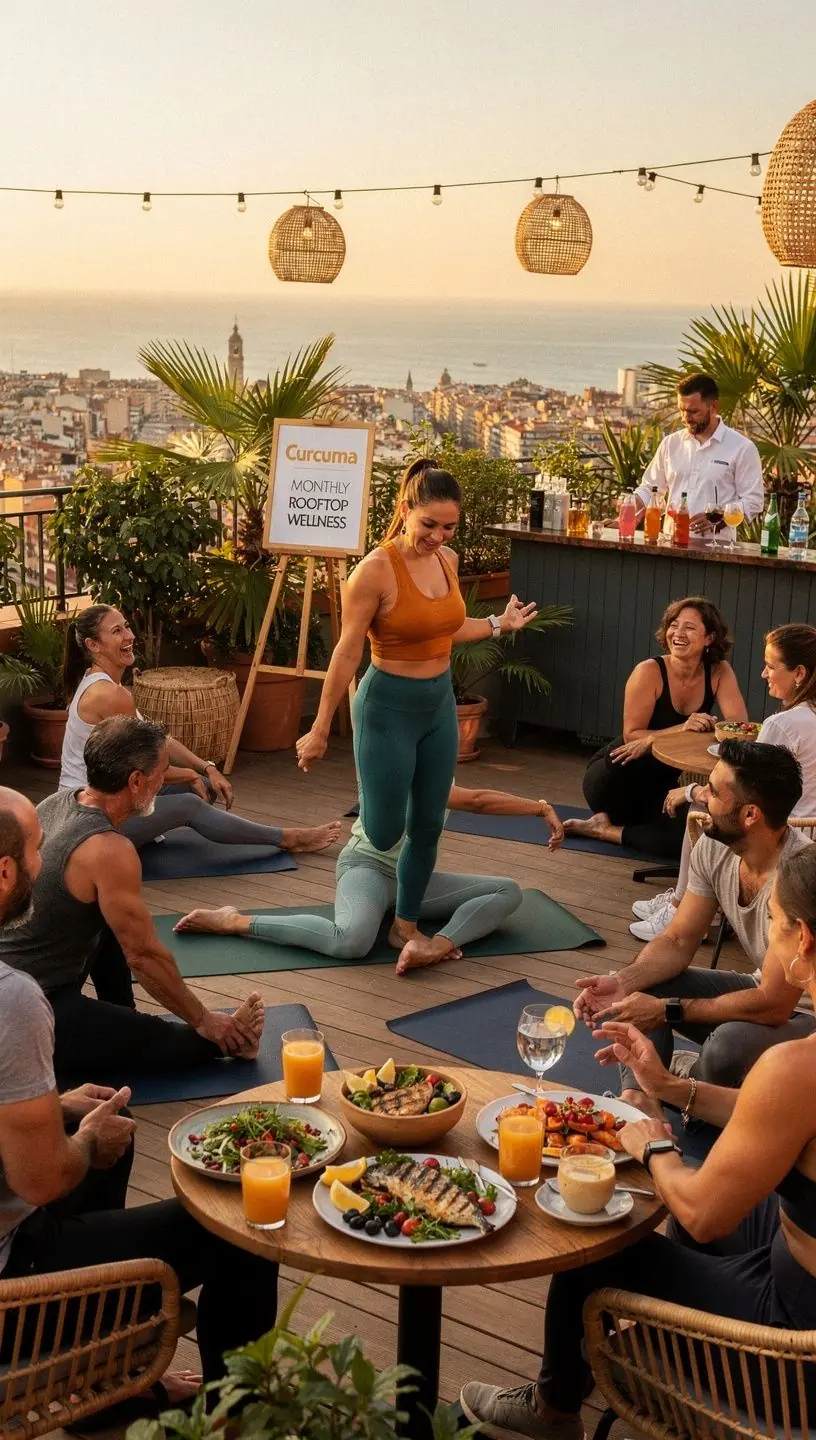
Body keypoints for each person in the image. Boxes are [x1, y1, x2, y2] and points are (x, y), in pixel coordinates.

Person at [460, 843, 816, 1440]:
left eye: (775, 925)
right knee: (715, 1200)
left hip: (795, 1349)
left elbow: (703, 1213)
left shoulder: (796, 1068)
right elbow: (781, 1118)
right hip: (795, 1255)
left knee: (597, 1243)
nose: (770, 943)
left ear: (803, 939)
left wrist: (655, 1145)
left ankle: (555, 1412)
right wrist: (669, 1087)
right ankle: (677, 1329)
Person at [0, 785, 279, 1395]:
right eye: (38, 853)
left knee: (105, 1134)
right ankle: (241, 1416)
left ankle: (106, 1380)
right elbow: (44, 1180)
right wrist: (84, 1141)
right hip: (12, 1290)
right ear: (3, 873)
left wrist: (58, 1108)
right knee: (247, 1226)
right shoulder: (13, 998)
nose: (44, 868)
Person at [294, 458, 538, 950]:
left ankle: (405, 923)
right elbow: (346, 652)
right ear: (404, 510)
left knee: (428, 825)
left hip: (436, 705)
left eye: (449, 527)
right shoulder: (374, 571)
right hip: (386, 708)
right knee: (384, 832)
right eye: (430, 524)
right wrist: (321, 727)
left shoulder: (446, 561)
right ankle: (364, 875)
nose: (439, 536)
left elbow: (449, 628)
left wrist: (498, 624)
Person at [0, 714, 269, 1087]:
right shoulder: (109, 850)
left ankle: (120, 1015)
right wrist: (205, 1019)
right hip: (28, 1010)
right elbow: (144, 956)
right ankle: (232, 1042)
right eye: (161, 772)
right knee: (171, 1040)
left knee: (111, 916)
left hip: (26, 978)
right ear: (136, 781)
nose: (164, 780)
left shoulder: (61, 801)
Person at [574, 740, 813, 1102]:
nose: (701, 797)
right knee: (641, 992)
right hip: (760, 991)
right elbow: (678, 941)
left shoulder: (799, 876)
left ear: (750, 815)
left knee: (726, 1047)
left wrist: (667, 1011)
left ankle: (694, 1090)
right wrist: (622, 981)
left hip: (803, 1016)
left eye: (714, 792)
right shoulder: (714, 846)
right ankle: (638, 1099)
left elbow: (775, 1003)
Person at [174, 784, 565, 974]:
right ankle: (234, 920)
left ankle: (427, 943)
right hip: (367, 869)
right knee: (352, 942)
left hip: (414, 881)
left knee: (507, 891)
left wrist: (540, 807)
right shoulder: (388, 765)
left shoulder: (436, 771)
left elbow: (478, 799)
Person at [60, 604, 340, 856]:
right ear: (93, 645)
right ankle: (288, 838)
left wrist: (206, 768)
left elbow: (158, 740)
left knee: (205, 787)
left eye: (127, 626)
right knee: (188, 805)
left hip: (114, 797)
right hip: (92, 819)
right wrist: (190, 774)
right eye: (116, 631)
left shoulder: (106, 685)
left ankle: (142, 834)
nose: (129, 636)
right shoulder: (108, 695)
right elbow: (145, 771)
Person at [633, 621, 816, 940]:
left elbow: (748, 797)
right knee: (705, 803)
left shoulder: (783, 725)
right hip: (810, 827)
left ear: (799, 673)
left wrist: (689, 789)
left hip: (786, 832)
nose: (763, 674)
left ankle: (689, 913)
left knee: (703, 816)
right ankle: (682, 900)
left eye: (770, 666)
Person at [563, 596, 747, 857]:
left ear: (709, 638)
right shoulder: (648, 671)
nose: (678, 633)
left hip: (661, 785)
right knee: (680, 833)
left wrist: (719, 729)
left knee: (690, 837)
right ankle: (604, 821)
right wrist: (682, 728)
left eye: (690, 627)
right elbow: (631, 736)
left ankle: (603, 830)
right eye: (674, 625)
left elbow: (738, 728)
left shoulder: (719, 671)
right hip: (617, 775)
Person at [631, 372, 763, 539]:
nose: (686, 418)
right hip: (670, 545)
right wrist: (630, 507)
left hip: (717, 550)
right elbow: (650, 487)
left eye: (693, 411)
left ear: (713, 407)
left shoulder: (742, 448)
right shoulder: (670, 443)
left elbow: (754, 501)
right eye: (681, 410)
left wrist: (720, 516)